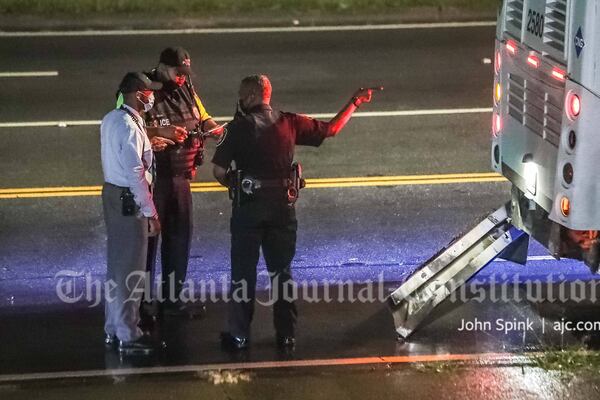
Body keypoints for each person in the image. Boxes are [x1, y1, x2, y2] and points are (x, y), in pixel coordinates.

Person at [212, 75, 374, 350]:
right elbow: (331, 129)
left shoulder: (236, 128)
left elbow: (218, 171)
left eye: (241, 95)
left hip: (248, 211)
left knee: (243, 274)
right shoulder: (289, 122)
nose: (239, 100)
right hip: (282, 210)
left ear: (250, 96)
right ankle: (286, 334)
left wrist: (237, 186)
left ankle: (239, 335)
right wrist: (354, 102)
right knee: (282, 272)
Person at [142, 47, 223, 317]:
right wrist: (158, 131)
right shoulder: (142, 87)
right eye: (178, 72)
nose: (181, 78)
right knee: (147, 244)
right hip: (152, 180)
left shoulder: (186, 86)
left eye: (185, 73)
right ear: (162, 67)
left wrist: (214, 128)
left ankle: (172, 301)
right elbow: (124, 123)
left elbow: (202, 115)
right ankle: (142, 305)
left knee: (178, 240)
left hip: (180, 178)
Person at [100, 72, 163, 356]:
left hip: (113, 196)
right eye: (149, 92)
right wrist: (150, 211)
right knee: (131, 272)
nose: (152, 97)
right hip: (129, 202)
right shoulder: (129, 125)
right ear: (139, 94)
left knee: (117, 267)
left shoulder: (111, 118)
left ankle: (114, 328)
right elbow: (136, 173)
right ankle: (129, 333)